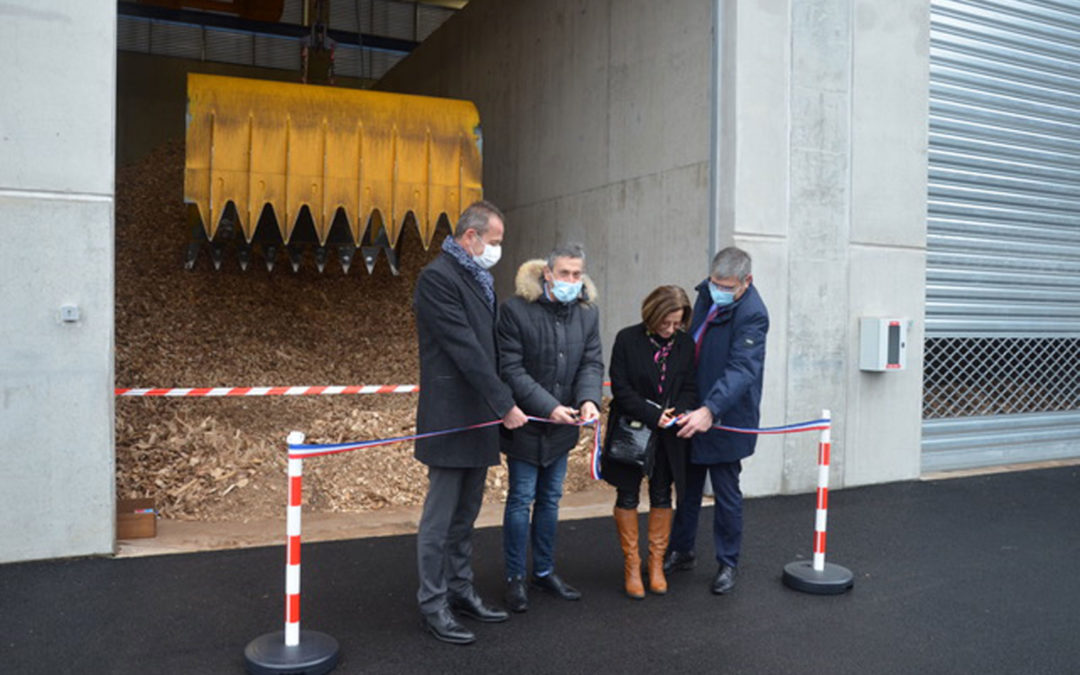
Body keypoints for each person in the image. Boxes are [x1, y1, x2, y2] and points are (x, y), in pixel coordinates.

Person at [413, 200, 529, 645]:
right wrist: (505, 404)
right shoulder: (438, 279)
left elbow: (493, 350)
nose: (498, 250)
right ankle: (433, 604)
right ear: (470, 237)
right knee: (439, 521)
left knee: (466, 516)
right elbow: (465, 349)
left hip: (478, 417)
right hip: (450, 417)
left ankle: (461, 591)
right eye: (494, 242)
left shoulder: (479, 277)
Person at [496, 243, 603, 613]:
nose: (572, 281)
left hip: (563, 429)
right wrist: (550, 406)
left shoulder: (587, 314)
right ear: (547, 273)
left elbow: (591, 361)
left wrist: (589, 399)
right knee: (520, 499)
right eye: (564, 274)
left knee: (551, 500)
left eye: (577, 274)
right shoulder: (514, 310)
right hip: (527, 425)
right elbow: (511, 369)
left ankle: (543, 571)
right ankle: (515, 577)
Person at [670, 246, 769, 595]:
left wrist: (711, 410)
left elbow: (742, 369)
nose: (719, 290)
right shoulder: (705, 295)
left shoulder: (753, 315)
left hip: (725, 415)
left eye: (727, 286)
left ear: (747, 282)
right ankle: (682, 549)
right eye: (715, 283)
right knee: (688, 488)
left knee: (726, 493)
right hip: (692, 409)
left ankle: (728, 562)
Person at [603, 285, 697, 599]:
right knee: (627, 493)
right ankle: (632, 565)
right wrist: (652, 413)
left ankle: (655, 564)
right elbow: (621, 387)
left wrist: (679, 412)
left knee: (661, 492)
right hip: (632, 428)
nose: (671, 329)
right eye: (665, 322)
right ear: (652, 314)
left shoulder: (685, 344)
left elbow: (689, 386)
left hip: (669, 433)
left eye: (677, 323)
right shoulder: (627, 339)